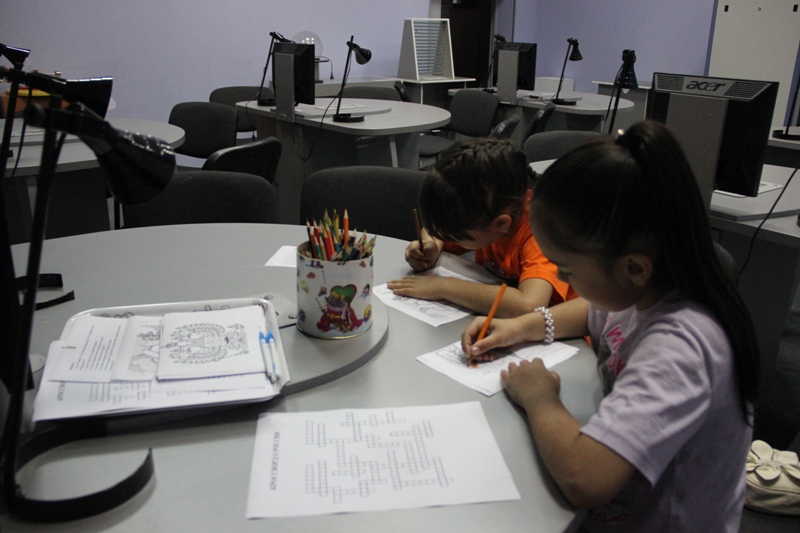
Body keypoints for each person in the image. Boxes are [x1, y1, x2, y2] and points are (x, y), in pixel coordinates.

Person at [461, 121, 760, 532]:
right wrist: (518, 328)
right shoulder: (639, 292)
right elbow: (589, 311)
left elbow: (586, 480)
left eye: (568, 269)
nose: (561, 279)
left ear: (634, 268)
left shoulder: (681, 349)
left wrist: (539, 398)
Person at [388, 138, 577, 317]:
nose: (446, 236)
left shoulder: (540, 233)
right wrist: (431, 245)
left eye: (454, 234)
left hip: (567, 330)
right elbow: (436, 230)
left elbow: (529, 306)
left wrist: (444, 287)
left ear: (501, 224)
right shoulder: (487, 212)